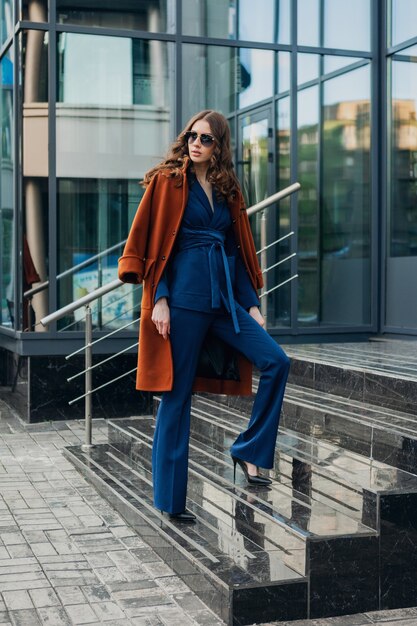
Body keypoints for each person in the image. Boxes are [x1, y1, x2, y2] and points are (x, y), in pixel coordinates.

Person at [118, 110, 290, 523]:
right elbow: (153, 242)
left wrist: (250, 302)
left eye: (207, 139)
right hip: (182, 305)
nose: (196, 143)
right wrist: (159, 297)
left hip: (224, 304)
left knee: (276, 361)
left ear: (219, 147)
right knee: (176, 400)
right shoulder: (166, 181)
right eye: (192, 135)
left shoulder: (228, 189)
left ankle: (248, 449)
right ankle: (170, 501)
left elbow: (236, 250)